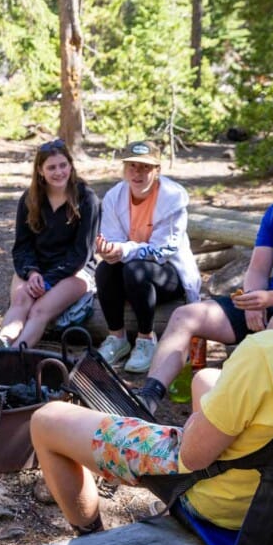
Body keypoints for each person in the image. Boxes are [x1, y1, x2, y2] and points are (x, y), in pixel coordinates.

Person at [30, 195, 273, 537]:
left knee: (47, 420)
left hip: (236, 515)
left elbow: (193, 455)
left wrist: (183, 430)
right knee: (208, 380)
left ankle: (90, 538)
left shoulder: (272, 351)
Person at [134, 137, 273, 413]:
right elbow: (258, 268)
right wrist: (253, 300)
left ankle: (231, 407)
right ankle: (148, 399)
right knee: (186, 315)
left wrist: (266, 299)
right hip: (269, 299)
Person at [0, 138, 100, 349]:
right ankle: (2, 343)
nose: (59, 172)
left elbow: (81, 253)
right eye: (51, 167)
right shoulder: (30, 198)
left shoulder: (87, 199)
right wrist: (33, 273)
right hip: (37, 268)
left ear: (71, 165)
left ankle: (16, 354)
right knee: (20, 301)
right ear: (40, 170)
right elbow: (22, 246)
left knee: (39, 311)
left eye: (63, 165)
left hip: (75, 271)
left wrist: (47, 281)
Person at [93, 141, 202, 373]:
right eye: (132, 166)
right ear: (124, 170)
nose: (138, 173)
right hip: (129, 271)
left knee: (136, 269)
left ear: (157, 170)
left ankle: (146, 339)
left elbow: (162, 251)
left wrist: (123, 250)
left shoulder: (173, 197)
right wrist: (110, 250)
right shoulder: (114, 197)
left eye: (145, 167)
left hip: (168, 274)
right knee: (104, 269)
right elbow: (113, 239)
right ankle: (117, 338)